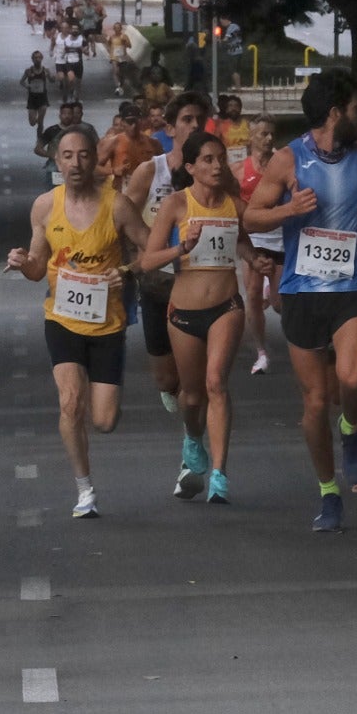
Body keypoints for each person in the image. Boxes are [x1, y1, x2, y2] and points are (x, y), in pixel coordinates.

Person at [243, 69, 357, 532]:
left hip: (352, 286)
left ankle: (349, 430)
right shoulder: (289, 160)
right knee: (314, 401)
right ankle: (328, 493)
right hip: (302, 291)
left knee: (355, 375)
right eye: (353, 108)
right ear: (334, 113)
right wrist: (289, 209)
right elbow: (250, 218)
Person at [5, 125, 151, 518]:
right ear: (57, 162)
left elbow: (150, 247)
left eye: (84, 155)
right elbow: (38, 269)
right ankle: (85, 490)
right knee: (70, 403)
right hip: (63, 319)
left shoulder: (117, 205)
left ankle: (92, 426)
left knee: (103, 420)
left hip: (108, 324)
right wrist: (22, 263)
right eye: (67, 156)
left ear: (95, 160)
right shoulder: (44, 207)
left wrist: (130, 270)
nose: (75, 163)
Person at [140, 131, 271, 504]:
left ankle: (219, 473)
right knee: (192, 396)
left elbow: (242, 240)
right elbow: (148, 261)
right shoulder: (177, 205)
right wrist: (181, 248)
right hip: (183, 312)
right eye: (208, 160)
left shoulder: (234, 205)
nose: (217, 166)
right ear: (192, 166)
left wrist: (254, 259)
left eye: (220, 159)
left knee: (216, 384)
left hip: (226, 306)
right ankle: (192, 438)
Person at [126, 92, 212, 443]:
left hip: (200, 285)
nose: (194, 126)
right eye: (187, 120)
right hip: (157, 283)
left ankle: (194, 436)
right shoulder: (151, 171)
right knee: (166, 377)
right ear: (170, 128)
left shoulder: (212, 172)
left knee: (200, 377)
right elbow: (124, 216)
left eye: (199, 120)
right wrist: (141, 252)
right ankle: (180, 396)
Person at [233, 114, 283, 374]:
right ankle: (261, 353)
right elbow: (229, 201)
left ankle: (270, 290)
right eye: (263, 134)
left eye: (272, 133)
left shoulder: (283, 165)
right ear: (251, 137)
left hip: (280, 239)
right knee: (251, 297)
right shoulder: (239, 170)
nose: (269, 138)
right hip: (253, 241)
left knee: (279, 303)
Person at [215, 95, 251, 164]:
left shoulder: (247, 124)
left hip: (246, 162)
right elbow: (216, 145)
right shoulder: (221, 126)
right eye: (230, 106)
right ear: (226, 109)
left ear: (240, 108)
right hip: (228, 163)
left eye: (236, 106)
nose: (233, 108)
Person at [21, 51, 51, 131]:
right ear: (32, 59)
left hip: (43, 98)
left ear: (42, 59)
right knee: (32, 123)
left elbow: (52, 80)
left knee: (40, 122)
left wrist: (49, 76)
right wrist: (27, 86)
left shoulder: (46, 70)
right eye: (35, 58)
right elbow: (21, 81)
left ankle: (40, 139)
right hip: (32, 98)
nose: (37, 59)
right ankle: (38, 121)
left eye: (39, 57)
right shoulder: (28, 71)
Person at [107, 22, 136, 96]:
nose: (117, 29)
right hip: (114, 56)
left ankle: (121, 86)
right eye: (115, 28)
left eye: (118, 28)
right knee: (115, 71)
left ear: (121, 29)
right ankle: (118, 86)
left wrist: (125, 42)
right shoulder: (111, 37)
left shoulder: (124, 36)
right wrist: (110, 53)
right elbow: (109, 45)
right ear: (114, 29)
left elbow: (129, 46)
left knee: (122, 73)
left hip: (122, 56)